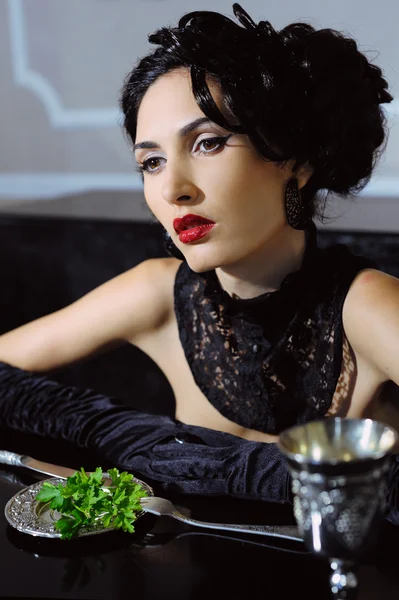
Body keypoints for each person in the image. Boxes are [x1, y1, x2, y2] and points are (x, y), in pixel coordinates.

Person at [0, 3, 399, 521]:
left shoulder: (365, 305)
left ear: (295, 162)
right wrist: (116, 430)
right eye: (151, 162)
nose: (172, 190)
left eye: (208, 143)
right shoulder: (156, 293)